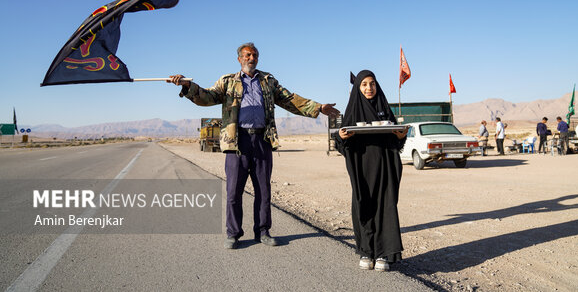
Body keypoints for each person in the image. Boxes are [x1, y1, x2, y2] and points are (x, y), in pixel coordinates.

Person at [169, 42, 340, 249]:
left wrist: (318, 107)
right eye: (248, 55)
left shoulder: (268, 81)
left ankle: (263, 232)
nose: (252, 58)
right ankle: (233, 234)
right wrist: (188, 86)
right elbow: (207, 97)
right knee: (233, 191)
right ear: (240, 59)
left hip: (262, 140)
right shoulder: (228, 82)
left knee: (263, 190)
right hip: (236, 141)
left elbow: (290, 100)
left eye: (255, 55)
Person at [334, 70, 408, 272]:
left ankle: (384, 253)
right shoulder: (352, 111)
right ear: (358, 87)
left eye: (372, 83)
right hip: (362, 168)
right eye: (364, 84)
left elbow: (396, 139)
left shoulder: (384, 108)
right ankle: (367, 251)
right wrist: (341, 137)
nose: (369, 88)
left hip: (385, 166)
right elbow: (341, 144)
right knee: (363, 205)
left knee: (386, 207)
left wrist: (401, 136)